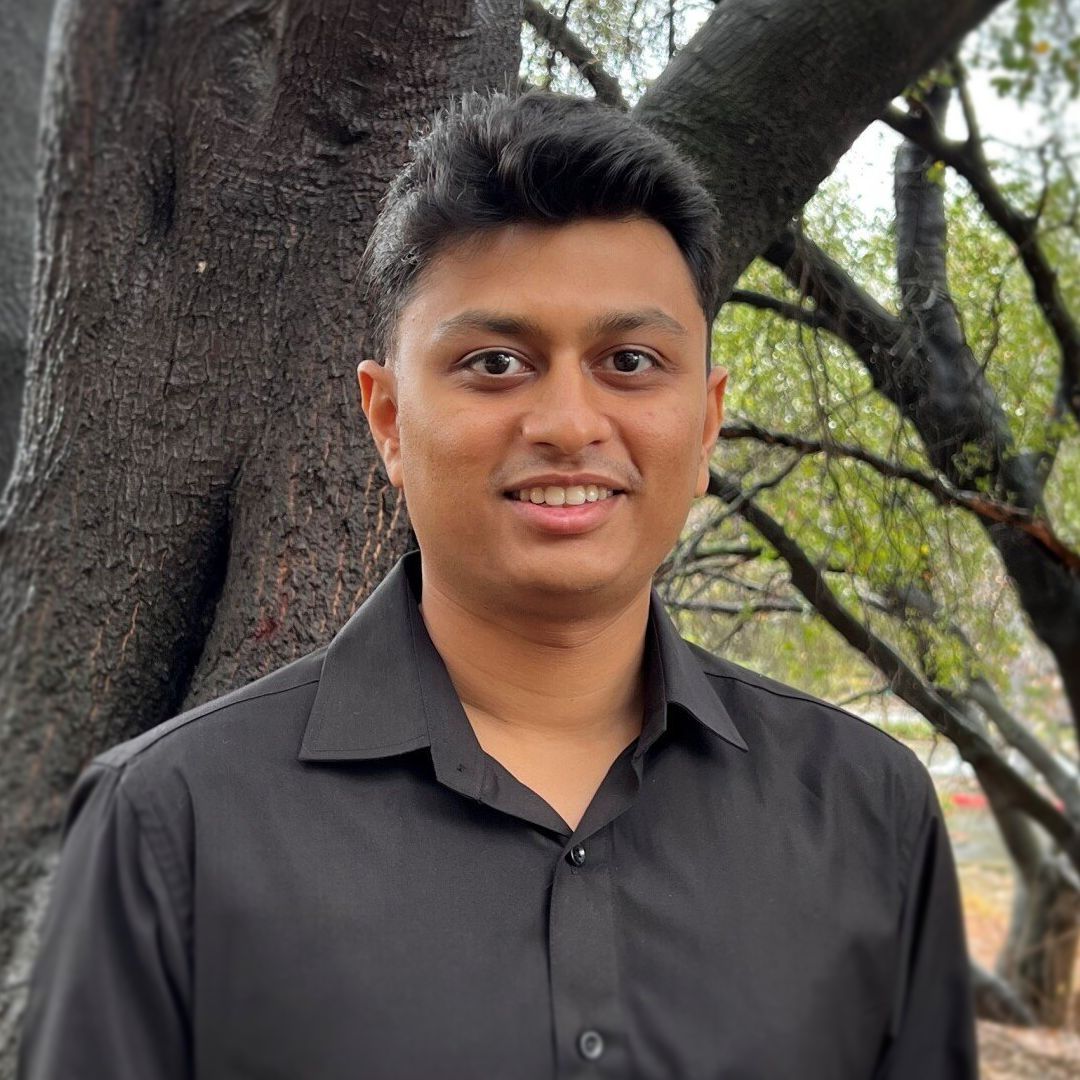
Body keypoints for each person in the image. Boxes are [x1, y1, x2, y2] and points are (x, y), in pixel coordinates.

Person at [19, 90, 977, 1079]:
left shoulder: (870, 814)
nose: (568, 420)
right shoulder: (171, 821)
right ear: (388, 419)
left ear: (705, 422)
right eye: (494, 361)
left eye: (631, 361)